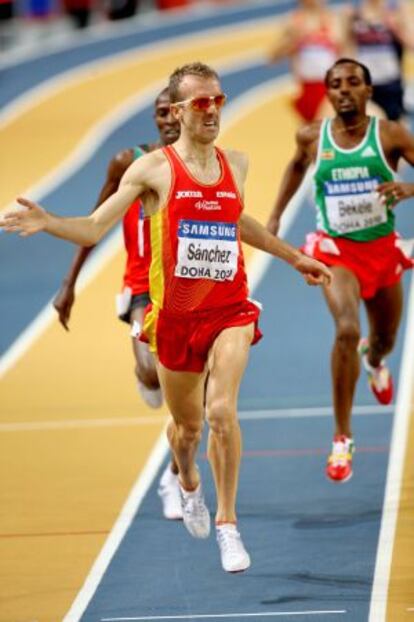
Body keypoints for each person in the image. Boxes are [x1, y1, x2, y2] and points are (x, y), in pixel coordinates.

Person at [1, 62, 331, 572]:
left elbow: (236, 220)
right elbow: (94, 227)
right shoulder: (151, 170)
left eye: (219, 100)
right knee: (187, 429)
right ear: (177, 111)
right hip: (175, 319)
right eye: (202, 102)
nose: (214, 110)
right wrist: (47, 222)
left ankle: (227, 524)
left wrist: (293, 256)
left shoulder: (235, 163)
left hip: (230, 309)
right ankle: (187, 481)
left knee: (222, 413)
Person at [267, 58, 414, 484]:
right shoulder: (313, 136)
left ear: (369, 91)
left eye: (353, 82)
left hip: (383, 252)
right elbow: (296, 165)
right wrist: (276, 215)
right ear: (327, 92)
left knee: (384, 340)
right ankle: (342, 436)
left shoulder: (391, 135)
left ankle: (375, 358)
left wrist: (408, 187)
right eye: (336, 84)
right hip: (337, 253)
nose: (344, 90)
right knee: (346, 329)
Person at [53, 87, 183, 521]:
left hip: (188, 287)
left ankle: (173, 474)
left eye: (174, 111)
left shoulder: (203, 163)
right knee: (152, 371)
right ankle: (145, 376)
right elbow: (94, 223)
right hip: (143, 286)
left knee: (190, 400)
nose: (167, 119)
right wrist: (69, 284)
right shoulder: (128, 162)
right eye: (160, 112)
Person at [268, 0, 347, 123]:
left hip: (329, 88)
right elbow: (272, 58)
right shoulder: (293, 21)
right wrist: (292, 40)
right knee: (310, 137)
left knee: (327, 133)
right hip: (305, 88)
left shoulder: (333, 21)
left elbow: (345, 54)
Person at [346, 0, 414, 121]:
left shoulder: (394, 12)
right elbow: (348, 48)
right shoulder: (354, 13)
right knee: (369, 126)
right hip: (366, 83)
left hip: (390, 82)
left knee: (393, 126)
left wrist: (396, 27)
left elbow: (410, 44)